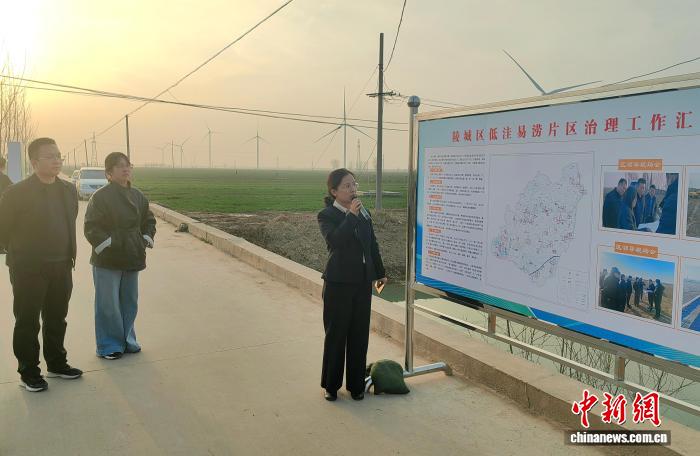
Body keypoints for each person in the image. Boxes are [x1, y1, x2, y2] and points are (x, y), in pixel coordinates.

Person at [0, 137, 82, 392]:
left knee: (57, 317)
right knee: (27, 321)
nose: (57, 160)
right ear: (34, 162)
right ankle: (29, 372)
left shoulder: (68, 190)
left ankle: (57, 363)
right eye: (50, 156)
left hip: (62, 264)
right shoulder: (16, 193)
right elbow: (3, 229)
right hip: (28, 268)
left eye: (59, 156)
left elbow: (70, 220)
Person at [317, 168, 387, 401]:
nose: (352, 189)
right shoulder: (327, 215)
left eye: (354, 184)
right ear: (334, 191)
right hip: (338, 283)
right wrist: (351, 217)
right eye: (346, 186)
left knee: (359, 335)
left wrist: (380, 273)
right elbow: (335, 241)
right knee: (336, 335)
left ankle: (356, 386)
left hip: (362, 283)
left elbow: (372, 244)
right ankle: (331, 386)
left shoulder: (363, 212)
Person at [84, 152, 156, 360]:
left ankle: (128, 340)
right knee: (108, 304)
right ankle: (109, 345)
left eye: (128, 165)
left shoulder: (138, 196)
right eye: (119, 166)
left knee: (129, 301)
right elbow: (91, 226)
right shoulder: (100, 197)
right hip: (108, 258)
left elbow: (149, 220)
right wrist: (110, 243)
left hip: (133, 255)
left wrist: (144, 239)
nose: (125, 169)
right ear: (108, 173)